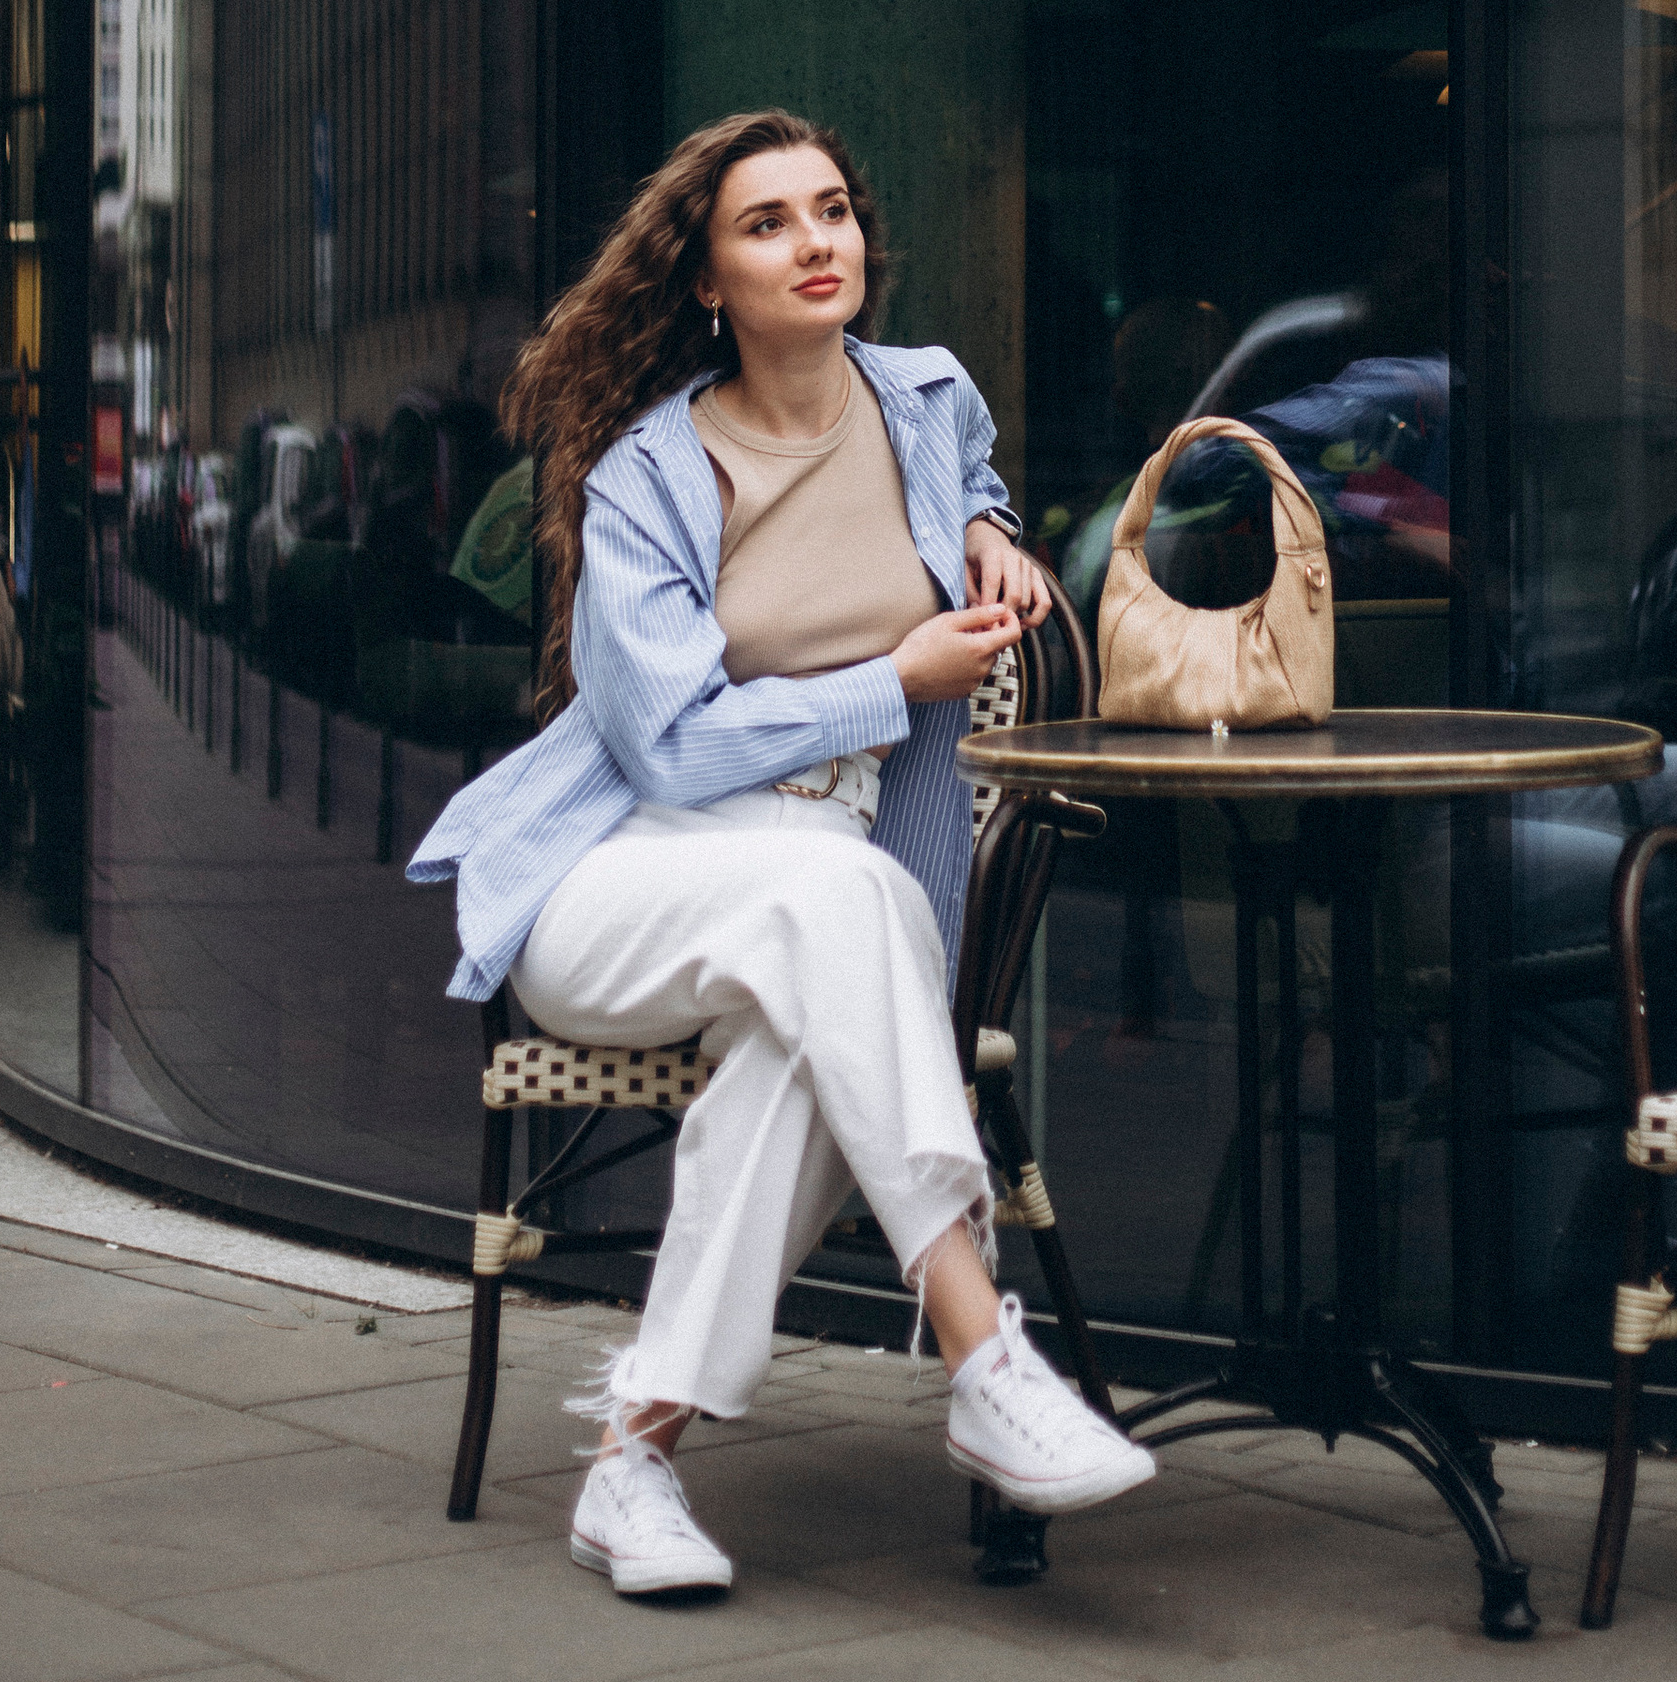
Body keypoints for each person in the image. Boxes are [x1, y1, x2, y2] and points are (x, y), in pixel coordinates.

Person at [406, 109, 1154, 1601]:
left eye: (832, 213)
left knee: (803, 1040)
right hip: (620, 883)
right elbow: (667, 747)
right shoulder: (646, 477)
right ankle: (982, 1352)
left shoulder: (928, 401)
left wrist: (994, 525)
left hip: (820, 885)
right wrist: (897, 685)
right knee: (843, 896)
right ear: (705, 282)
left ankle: (634, 1462)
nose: (815, 243)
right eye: (767, 224)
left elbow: (971, 477)